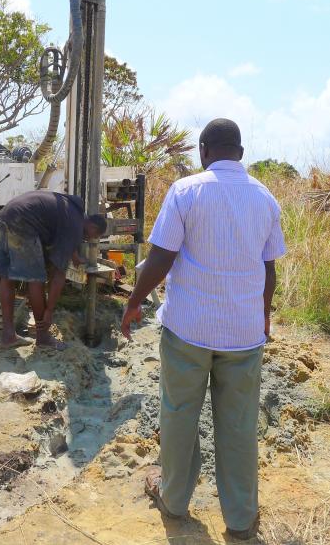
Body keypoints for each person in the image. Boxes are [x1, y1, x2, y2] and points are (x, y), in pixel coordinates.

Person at [121, 119, 286, 540]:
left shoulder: (186, 191)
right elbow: (268, 270)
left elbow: (161, 258)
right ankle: (241, 519)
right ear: (241, 154)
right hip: (243, 336)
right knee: (239, 425)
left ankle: (174, 501)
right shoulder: (265, 198)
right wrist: (264, 315)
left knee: (179, 415)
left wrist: (135, 302)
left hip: (187, 331)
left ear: (203, 150)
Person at [0, 190, 107, 350]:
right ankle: (43, 337)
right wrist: (49, 311)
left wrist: (73, 255)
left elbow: (63, 231)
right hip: (23, 223)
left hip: (7, 214)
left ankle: (8, 336)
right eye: (93, 236)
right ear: (93, 227)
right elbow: (58, 274)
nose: (89, 239)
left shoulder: (73, 212)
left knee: (7, 276)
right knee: (36, 279)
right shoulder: (75, 226)